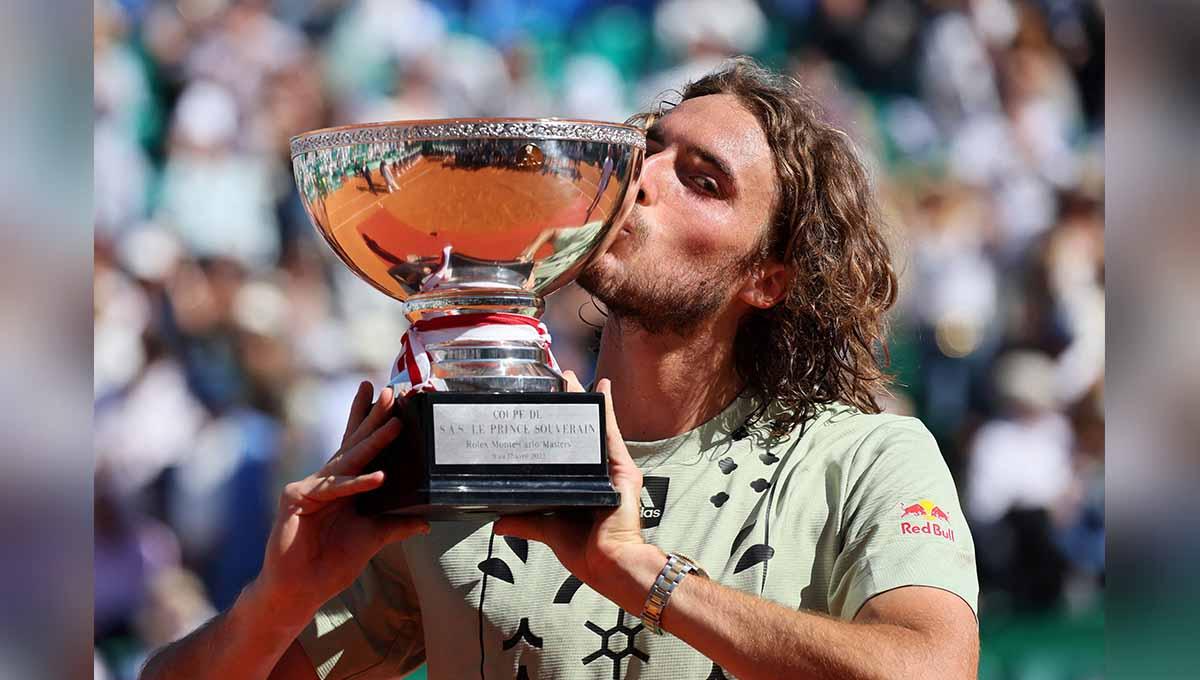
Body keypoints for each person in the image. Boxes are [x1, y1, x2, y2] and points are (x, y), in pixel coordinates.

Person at [141, 58, 979, 680]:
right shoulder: (467, 464)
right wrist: (278, 600)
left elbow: (931, 672)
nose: (640, 182)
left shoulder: (864, 459)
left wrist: (642, 576)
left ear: (769, 278)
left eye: (702, 182)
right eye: (647, 151)